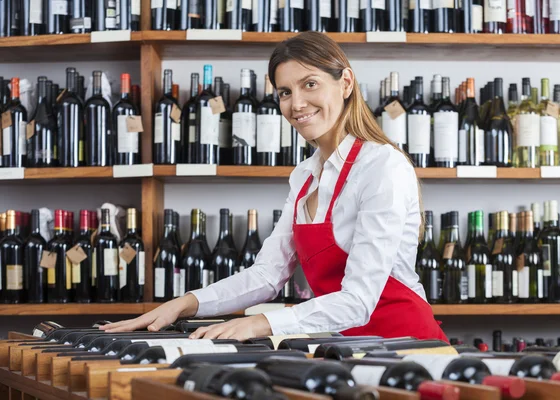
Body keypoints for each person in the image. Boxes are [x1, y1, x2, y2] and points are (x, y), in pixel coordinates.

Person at [101, 31, 447, 342]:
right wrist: (184, 304)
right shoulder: (304, 176)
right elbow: (268, 274)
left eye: (310, 84)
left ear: (345, 83)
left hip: (409, 350)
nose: (296, 104)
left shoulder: (381, 165)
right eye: (285, 92)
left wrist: (261, 324)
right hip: (350, 349)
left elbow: (358, 300)